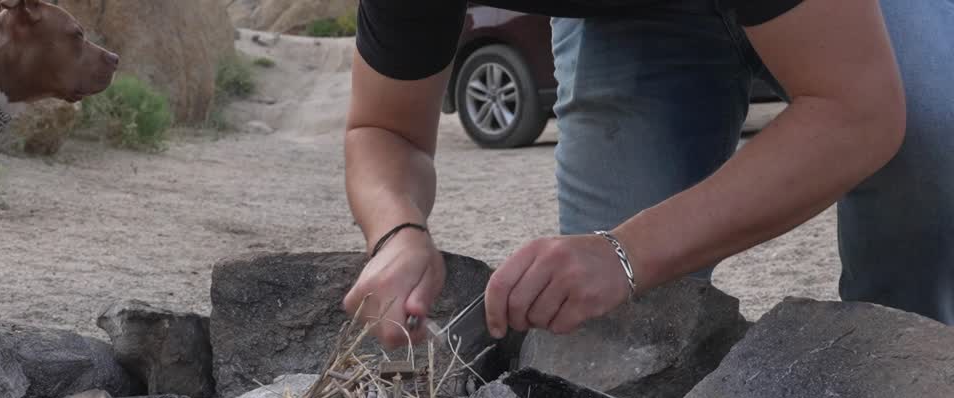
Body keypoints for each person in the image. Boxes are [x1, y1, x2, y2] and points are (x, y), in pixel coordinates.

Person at [340, 0, 953, 350]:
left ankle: (911, 371)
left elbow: (858, 111)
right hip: (638, 20)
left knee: (931, 129)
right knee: (612, 338)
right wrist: (396, 232)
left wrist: (625, 252)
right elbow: (383, 130)